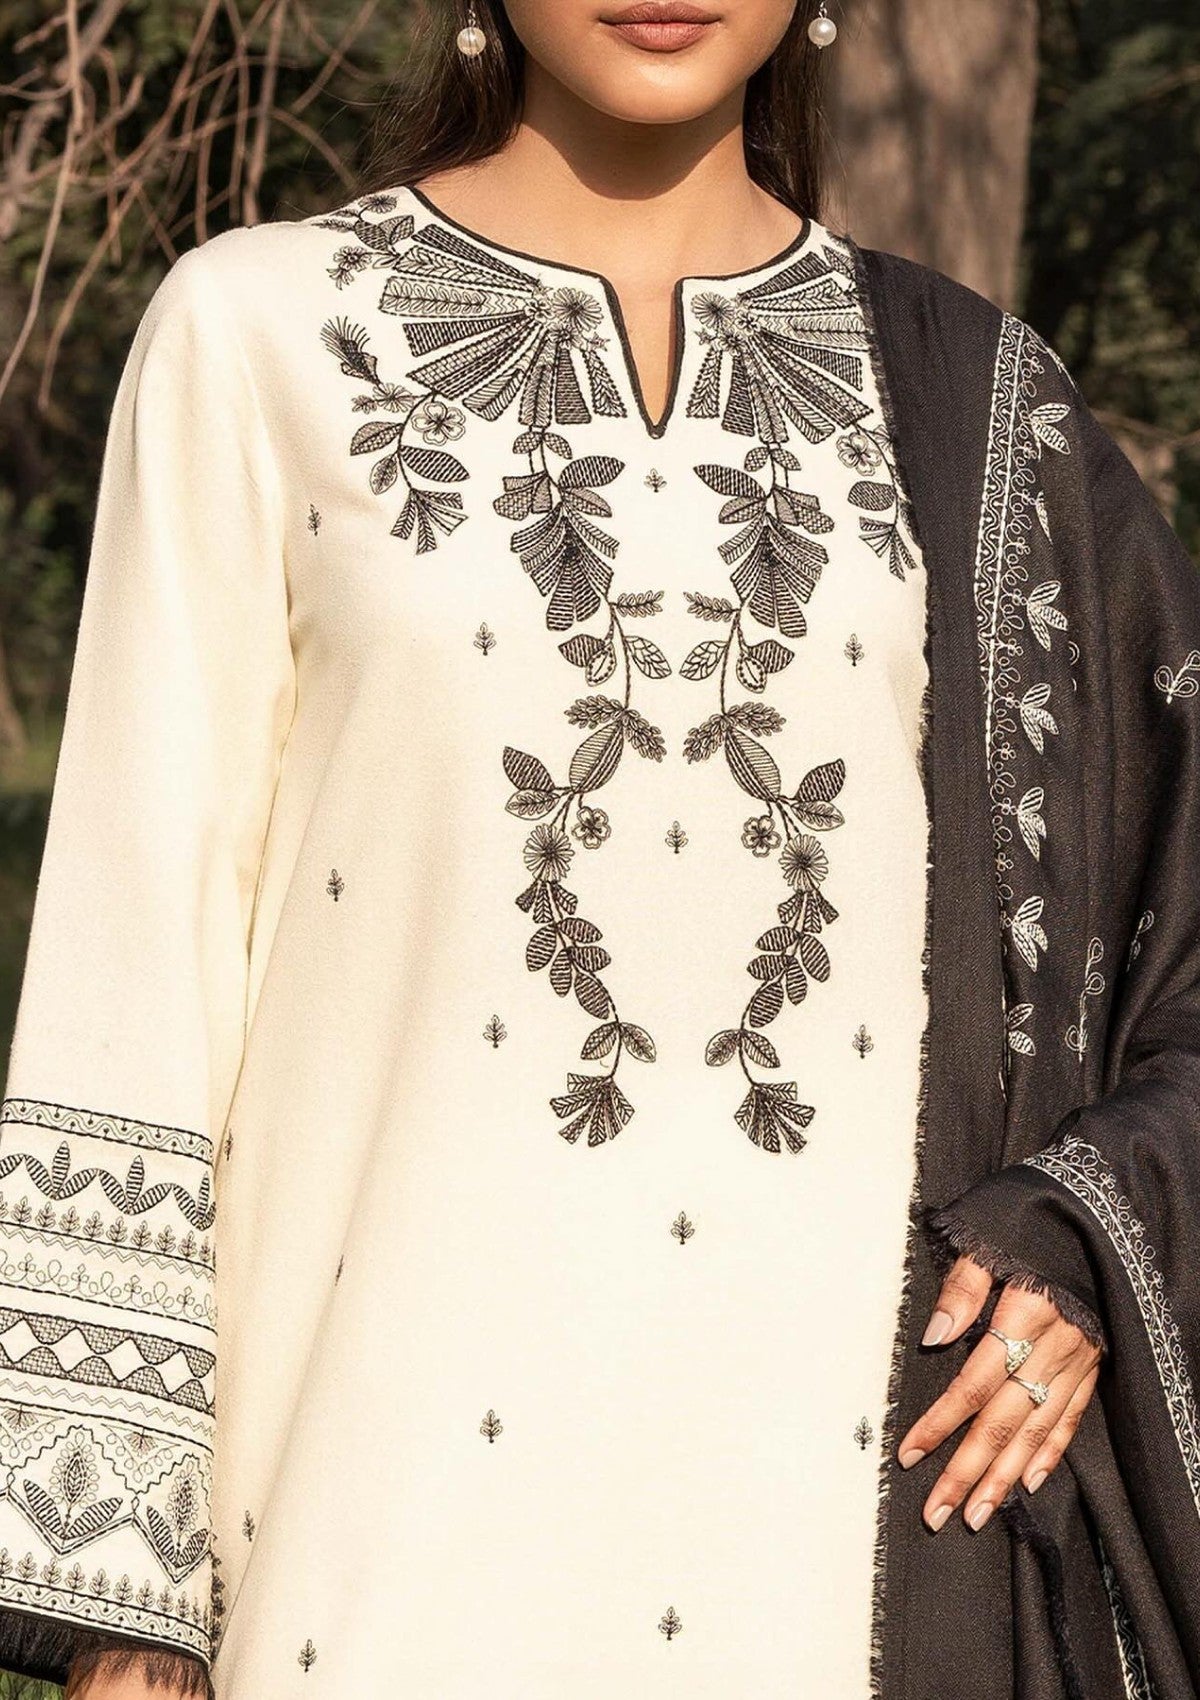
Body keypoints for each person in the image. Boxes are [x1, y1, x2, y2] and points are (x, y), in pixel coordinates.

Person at [1, 1, 1198, 1696]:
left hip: (851, 1541)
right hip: (374, 1534)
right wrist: (121, 1605)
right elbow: (139, 948)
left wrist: (1090, 1239)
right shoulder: (257, 332)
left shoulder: (973, 397)